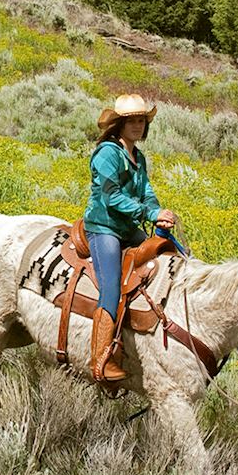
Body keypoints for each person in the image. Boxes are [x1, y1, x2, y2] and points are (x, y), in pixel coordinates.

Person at [83, 94, 181, 382]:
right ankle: (101, 359)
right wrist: (148, 214)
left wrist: (158, 211)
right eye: (132, 121)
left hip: (127, 227)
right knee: (111, 290)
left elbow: (147, 192)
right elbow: (111, 197)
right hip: (104, 227)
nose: (138, 126)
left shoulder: (138, 157)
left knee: (170, 256)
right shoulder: (107, 154)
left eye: (142, 121)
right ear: (120, 124)